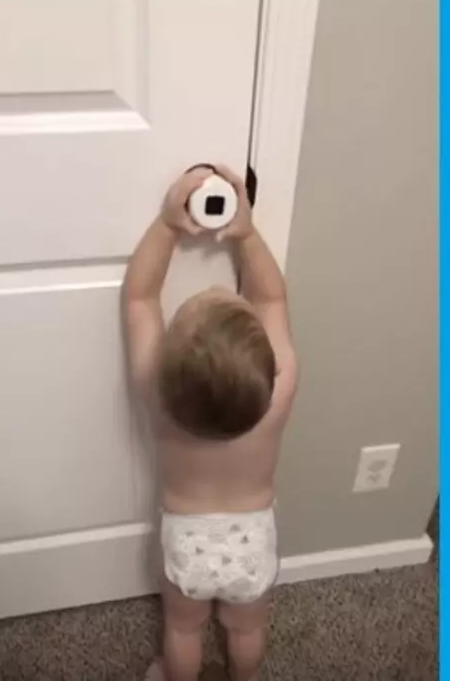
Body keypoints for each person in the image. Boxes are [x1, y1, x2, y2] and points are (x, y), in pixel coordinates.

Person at [123, 165, 297, 681]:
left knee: (182, 630)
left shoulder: (157, 393)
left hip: (188, 542)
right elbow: (272, 298)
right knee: (245, 630)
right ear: (268, 366)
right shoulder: (279, 395)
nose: (218, 290)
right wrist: (245, 232)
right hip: (251, 540)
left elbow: (139, 296)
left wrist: (168, 223)